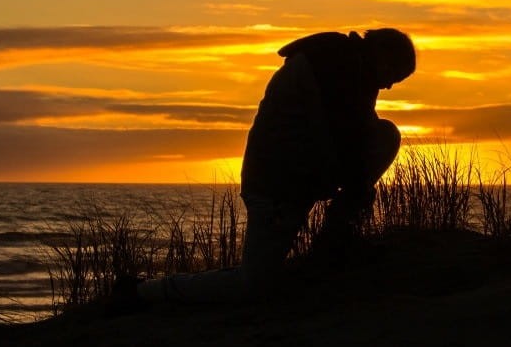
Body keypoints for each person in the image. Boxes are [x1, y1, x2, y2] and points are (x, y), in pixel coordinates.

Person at [129, 28, 416, 305]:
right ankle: (142, 292)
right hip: (276, 187)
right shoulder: (339, 68)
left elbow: (352, 135)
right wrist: (357, 193)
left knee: (385, 135)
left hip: (300, 176)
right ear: (383, 55)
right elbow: (345, 135)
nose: (389, 85)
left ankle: (333, 242)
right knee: (253, 284)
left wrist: (354, 194)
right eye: (395, 76)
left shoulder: (348, 66)